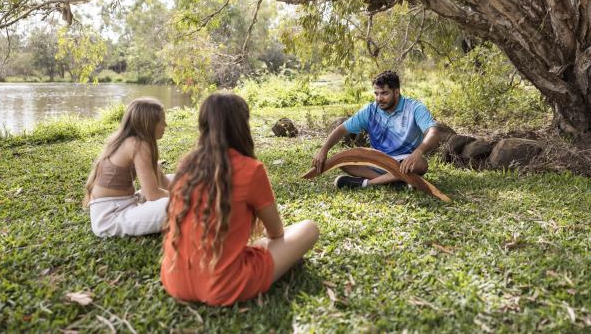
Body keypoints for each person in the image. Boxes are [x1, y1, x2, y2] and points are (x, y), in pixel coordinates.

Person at [161, 93, 319, 306]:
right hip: (224, 286)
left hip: (175, 282)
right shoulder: (251, 169)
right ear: (242, 126)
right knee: (309, 228)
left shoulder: (186, 166)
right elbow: (276, 232)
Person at [312, 70, 440, 189]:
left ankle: (367, 183)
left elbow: (433, 132)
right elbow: (342, 129)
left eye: (384, 93)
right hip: (377, 162)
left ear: (396, 92)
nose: (379, 99)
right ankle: (396, 181)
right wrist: (323, 150)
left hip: (405, 162)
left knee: (422, 164)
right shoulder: (370, 110)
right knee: (343, 161)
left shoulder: (414, 108)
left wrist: (417, 153)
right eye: (376, 94)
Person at [85, 97, 172, 237]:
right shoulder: (137, 145)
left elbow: (162, 181)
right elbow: (152, 195)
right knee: (173, 206)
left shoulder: (138, 142)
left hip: (128, 203)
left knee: (174, 179)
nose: (166, 125)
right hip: (111, 217)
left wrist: (185, 191)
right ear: (150, 124)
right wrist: (187, 197)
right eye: (162, 122)